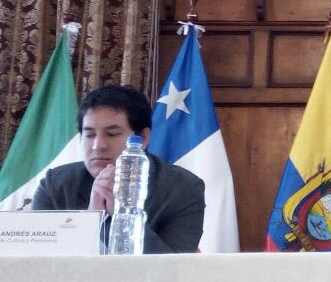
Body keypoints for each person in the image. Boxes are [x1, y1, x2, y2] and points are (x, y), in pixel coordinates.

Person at [32, 85, 205, 253]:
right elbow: (35, 260)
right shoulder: (55, 185)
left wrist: (123, 216)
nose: (98, 146)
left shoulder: (182, 188)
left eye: (112, 134)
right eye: (90, 135)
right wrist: (91, 220)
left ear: (143, 138)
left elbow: (174, 266)